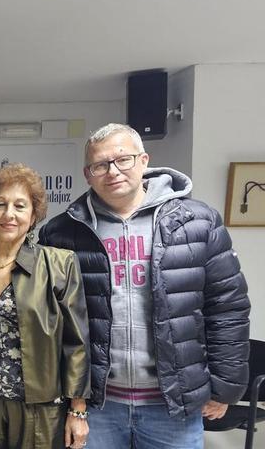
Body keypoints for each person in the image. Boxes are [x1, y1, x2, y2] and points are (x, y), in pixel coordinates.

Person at [38, 123, 251, 449]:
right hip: (98, 405)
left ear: (143, 160)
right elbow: (53, 323)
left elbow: (227, 307)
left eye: (123, 159)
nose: (113, 171)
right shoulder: (62, 232)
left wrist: (226, 386)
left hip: (172, 404)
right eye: (100, 165)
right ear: (87, 174)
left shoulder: (198, 222)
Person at [0, 163, 90, 449]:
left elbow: (77, 344)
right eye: (0, 204)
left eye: (20, 206)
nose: (9, 214)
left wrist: (78, 410)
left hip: (40, 408)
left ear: (33, 215)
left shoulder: (60, 265)